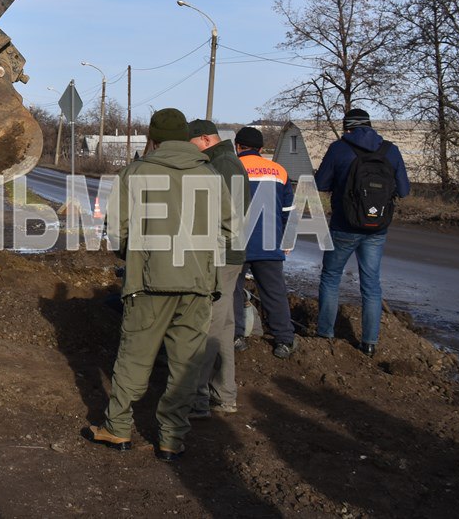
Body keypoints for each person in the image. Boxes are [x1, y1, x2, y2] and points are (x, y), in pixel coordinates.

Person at [83, 108, 234, 462]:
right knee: (185, 365)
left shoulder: (134, 173)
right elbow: (229, 230)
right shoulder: (210, 175)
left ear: (152, 137)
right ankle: (171, 439)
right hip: (196, 284)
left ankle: (118, 429)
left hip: (148, 283)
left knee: (134, 357)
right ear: (185, 136)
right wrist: (204, 261)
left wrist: (136, 255)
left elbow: (117, 233)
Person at [314, 107, 410, 356]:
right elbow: (404, 189)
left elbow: (321, 183)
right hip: (377, 227)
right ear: (369, 125)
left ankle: (325, 334)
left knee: (331, 278)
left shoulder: (338, 148)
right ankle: (369, 343)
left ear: (348, 128)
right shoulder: (390, 150)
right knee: (371, 284)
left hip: (343, 226)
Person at [186, 119, 248, 419]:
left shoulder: (223, 165)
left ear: (205, 139)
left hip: (220, 255)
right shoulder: (225, 161)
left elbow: (222, 214)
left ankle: (197, 398)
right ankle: (225, 394)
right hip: (230, 254)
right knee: (224, 326)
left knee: (207, 324)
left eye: (191, 144)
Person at [233, 126, 298, 359]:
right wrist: (286, 239)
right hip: (269, 243)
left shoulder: (230, 168)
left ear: (237, 146)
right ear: (261, 149)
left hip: (236, 244)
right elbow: (288, 210)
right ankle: (284, 340)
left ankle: (237, 337)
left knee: (233, 290)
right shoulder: (278, 171)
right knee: (274, 293)